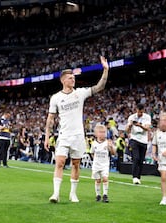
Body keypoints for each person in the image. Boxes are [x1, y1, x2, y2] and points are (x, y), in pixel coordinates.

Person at [44, 56, 109, 203]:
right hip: (64, 135)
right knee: (59, 163)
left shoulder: (80, 93)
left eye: (73, 77)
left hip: (78, 136)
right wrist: (47, 137)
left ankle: (73, 194)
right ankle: (56, 194)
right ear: (63, 80)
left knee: (76, 164)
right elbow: (50, 119)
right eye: (70, 78)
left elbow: (99, 87)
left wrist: (105, 70)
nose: (73, 80)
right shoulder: (55, 98)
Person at [125, 103, 152, 184]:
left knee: (141, 160)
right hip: (134, 138)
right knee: (136, 158)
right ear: (136, 110)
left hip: (143, 140)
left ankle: (138, 177)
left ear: (143, 110)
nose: (140, 113)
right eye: (138, 111)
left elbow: (147, 128)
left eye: (141, 112)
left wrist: (139, 125)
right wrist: (130, 125)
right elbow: (127, 130)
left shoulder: (147, 117)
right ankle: (134, 177)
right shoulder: (131, 117)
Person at [90, 124, 115, 203]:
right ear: (96, 134)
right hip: (96, 165)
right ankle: (98, 195)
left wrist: (111, 147)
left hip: (105, 165)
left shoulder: (108, 143)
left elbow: (113, 153)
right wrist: (95, 160)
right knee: (97, 180)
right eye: (100, 132)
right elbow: (92, 152)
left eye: (104, 132)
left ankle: (105, 195)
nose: (102, 134)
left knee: (105, 179)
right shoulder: (94, 143)